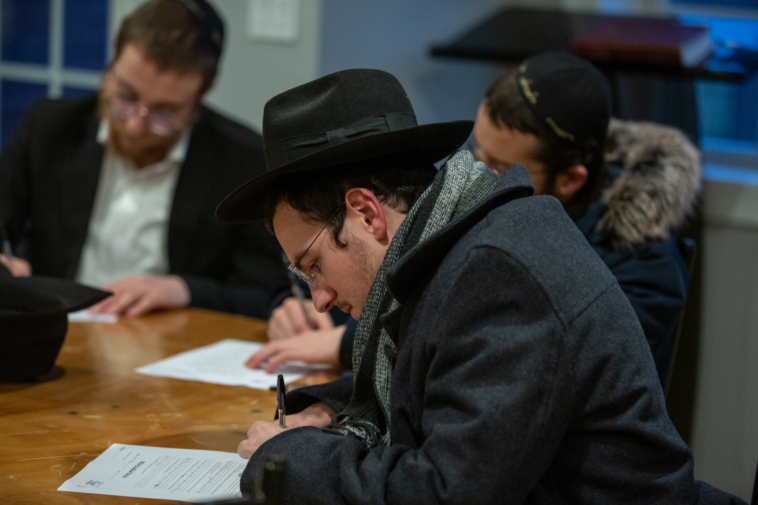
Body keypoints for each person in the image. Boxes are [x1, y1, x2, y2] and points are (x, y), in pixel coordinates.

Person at [218, 68, 739, 503]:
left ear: (366, 214)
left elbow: (446, 492)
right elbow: (435, 380)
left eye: (313, 266)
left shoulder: (499, 273)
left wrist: (289, 459)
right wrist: (332, 410)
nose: (319, 298)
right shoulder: (453, 245)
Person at [249, 52, 700, 387]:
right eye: (475, 151)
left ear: (570, 179)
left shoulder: (633, 269)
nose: (478, 173)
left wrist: (346, 343)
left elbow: (513, 370)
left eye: (500, 167)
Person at [0, 0, 286, 318]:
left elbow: (264, 292)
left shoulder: (242, 160)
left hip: (172, 337)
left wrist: (183, 289)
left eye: (164, 113)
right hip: (62, 330)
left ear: (201, 94)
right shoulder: (50, 128)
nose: (135, 125)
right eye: (125, 96)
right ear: (112, 57)